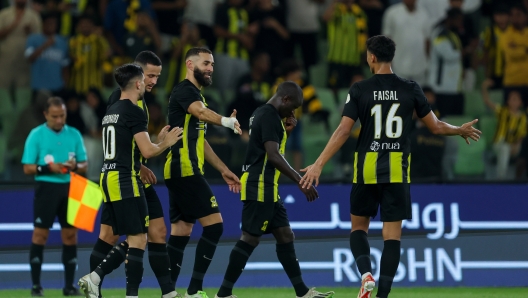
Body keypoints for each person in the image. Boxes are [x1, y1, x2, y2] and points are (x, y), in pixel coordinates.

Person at [299, 35, 481, 298]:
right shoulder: (411, 88)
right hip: (397, 171)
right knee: (392, 237)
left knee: (358, 228)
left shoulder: (359, 89)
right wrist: (458, 130)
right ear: (390, 57)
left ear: (372, 57)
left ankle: (366, 275)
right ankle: (382, 295)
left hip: (367, 169)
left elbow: (343, 130)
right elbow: (436, 126)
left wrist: (318, 164)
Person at [215, 81, 335, 298]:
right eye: (293, 107)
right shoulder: (269, 115)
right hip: (259, 185)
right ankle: (223, 294)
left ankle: (302, 292)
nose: (293, 112)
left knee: (285, 234)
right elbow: (272, 155)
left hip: (268, 186)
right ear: (285, 99)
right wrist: (300, 180)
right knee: (249, 238)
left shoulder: (263, 114)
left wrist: (286, 132)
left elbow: (266, 149)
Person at [78, 63, 183, 298]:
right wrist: (166, 143)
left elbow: (129, 147)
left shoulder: (112, 110)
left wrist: (157, 139)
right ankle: (103, 282)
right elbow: (146, 152)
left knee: (127, 236)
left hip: (108, 176)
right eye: (146, 78)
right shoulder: (134, 110)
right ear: (138, 83)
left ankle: (98, 280)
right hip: (126, 178)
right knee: (137, 239)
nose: (147, 83)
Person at [164, 47, 242, 298]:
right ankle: (194, 290)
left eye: (212, 65)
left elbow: (200, 140)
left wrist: (223, 169)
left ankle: (169, 293)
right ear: (190, 64)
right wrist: (226, 121)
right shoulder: (185, 91)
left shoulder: (195, 95)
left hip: (180, 170)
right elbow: (199, 112)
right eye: (206, 63)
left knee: (181, 231)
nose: (210, 68)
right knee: (215, 226)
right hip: (184, 169)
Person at [21, 96, 88, 296]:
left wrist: (76, 166)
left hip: (71, 188)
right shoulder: (36, 134)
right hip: (46, 188)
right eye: (55, 116)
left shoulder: (74, 134)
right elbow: (27, 168)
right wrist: (48, 168)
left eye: (62, 115)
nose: (59, 120)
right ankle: (36, 286)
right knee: (40, 235)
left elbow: (84, 165)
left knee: (70, 235)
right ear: (45, 115)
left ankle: (68, 286)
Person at [482, 79, 526, 179]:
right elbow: (487, 101)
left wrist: (516, 145)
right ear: (508, 101)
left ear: (520, 102)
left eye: (516, 99)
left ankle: (521, 178)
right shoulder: (502, 111)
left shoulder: (523, 118)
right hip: (499, 143)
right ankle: (501, 179)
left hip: (515, 145)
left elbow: (521, 135)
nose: (514, 101)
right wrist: (484, 87)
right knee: (505, 148)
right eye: (512, 99)